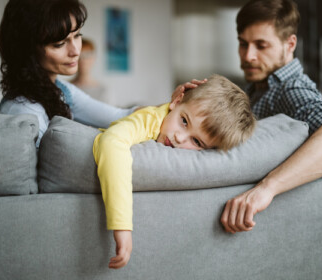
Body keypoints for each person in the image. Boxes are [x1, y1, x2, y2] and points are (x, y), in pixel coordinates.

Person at [220, 0, 322, 233]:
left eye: (261, 45)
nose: (248, 56)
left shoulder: (291, 89)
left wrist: (266, 189)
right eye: (243, 44)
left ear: (289, 44)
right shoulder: (257, 86)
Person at [93, 74, 256, 269]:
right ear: (176, 101)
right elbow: (111, 142)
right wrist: (122, 226)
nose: (179, 137)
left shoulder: (178, 121)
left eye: (196, 142)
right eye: (184, 121)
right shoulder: (149, 120)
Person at [0, 0, 200, 147]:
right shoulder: (23, 112)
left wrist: (173, 104)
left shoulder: (61, 90)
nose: (76, 50)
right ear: (28, 50)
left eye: (77, 36)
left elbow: (120, 116)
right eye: (60, 43)